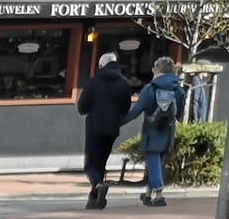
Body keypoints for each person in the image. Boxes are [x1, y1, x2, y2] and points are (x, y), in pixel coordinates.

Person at [75, 52, 135, 210]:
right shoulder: (124, 83)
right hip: (112, 127)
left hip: (95, 126)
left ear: (101, 66)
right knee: (102, 161)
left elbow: (82, 106)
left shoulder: (94, 82)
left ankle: (99, 185)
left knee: (91, 164)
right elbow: (125, 107)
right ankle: (94, 197)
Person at [126, 55, 184, 206]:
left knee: (153, 160)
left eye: (153, 68)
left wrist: (118, 121)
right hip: (168, 129)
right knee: (157, 162)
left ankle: (159, 194)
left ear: (158, 69)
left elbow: (136, 111)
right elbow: (179, 113)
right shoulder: (178, 89)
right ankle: (148, 193)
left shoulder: (150, 89)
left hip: (152, 130)